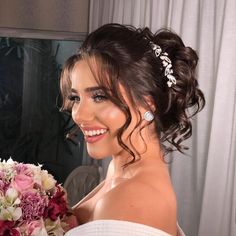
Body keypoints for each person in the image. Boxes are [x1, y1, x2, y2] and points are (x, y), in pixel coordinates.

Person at [60, 23, 205, 236]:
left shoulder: (133, 199)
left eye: (99, 97)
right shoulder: (121, 170)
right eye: (76, 98)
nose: (79, 115)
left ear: (148, 103)